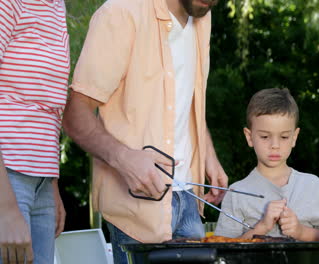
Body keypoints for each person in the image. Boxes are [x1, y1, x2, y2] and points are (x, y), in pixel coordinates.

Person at [62, 0, 227, 263]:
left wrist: (208, 154)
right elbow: (75, 113)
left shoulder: (202, 17)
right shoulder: (120, 14)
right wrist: (123, 158)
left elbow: (184, 100)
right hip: (137, 211)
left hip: (189, 200)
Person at [215, 88, 319, 241]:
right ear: (249, 137)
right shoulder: (236, 193)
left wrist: (300, 231)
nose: (275, 145)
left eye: (284, 137)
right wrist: (262, 227)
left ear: (294, 137)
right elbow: (222, 249)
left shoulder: (314, 186)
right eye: (265, 136)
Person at [0, 0, 69, 263]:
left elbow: (48, 105)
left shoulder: (55, 6)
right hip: (7, 177)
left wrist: (51, 181)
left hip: (40, 181)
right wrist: (5, 208)